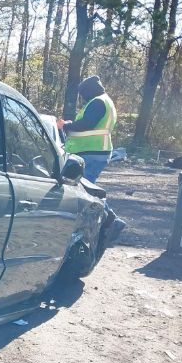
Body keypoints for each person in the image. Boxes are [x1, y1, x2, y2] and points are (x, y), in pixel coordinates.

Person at [58, 75, 126, 243]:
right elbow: (90, 123)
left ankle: (111, 221)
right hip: (94, 151)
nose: (82, 97)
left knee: (86, 188)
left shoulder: (97, 102)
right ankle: (107, 222)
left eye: (83, 94)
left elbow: (87, 124)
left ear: (88, 91)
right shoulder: (104, 101)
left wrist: (65, 126)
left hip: (91, 151)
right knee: (85, 187)